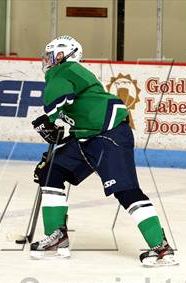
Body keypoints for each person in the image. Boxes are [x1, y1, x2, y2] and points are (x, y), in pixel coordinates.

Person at [30, 35, 178, 267]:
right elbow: (77, 107)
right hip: (87, 135)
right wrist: (56, 123)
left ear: (63, 55)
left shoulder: (64, 70)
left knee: (126, 191)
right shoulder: (71, 72)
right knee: (52, 172)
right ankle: (56, 236)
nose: (47, 61)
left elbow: (59, 98)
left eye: (51, 55)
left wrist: (50, 118)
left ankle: (161, 247)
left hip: (109, 135)